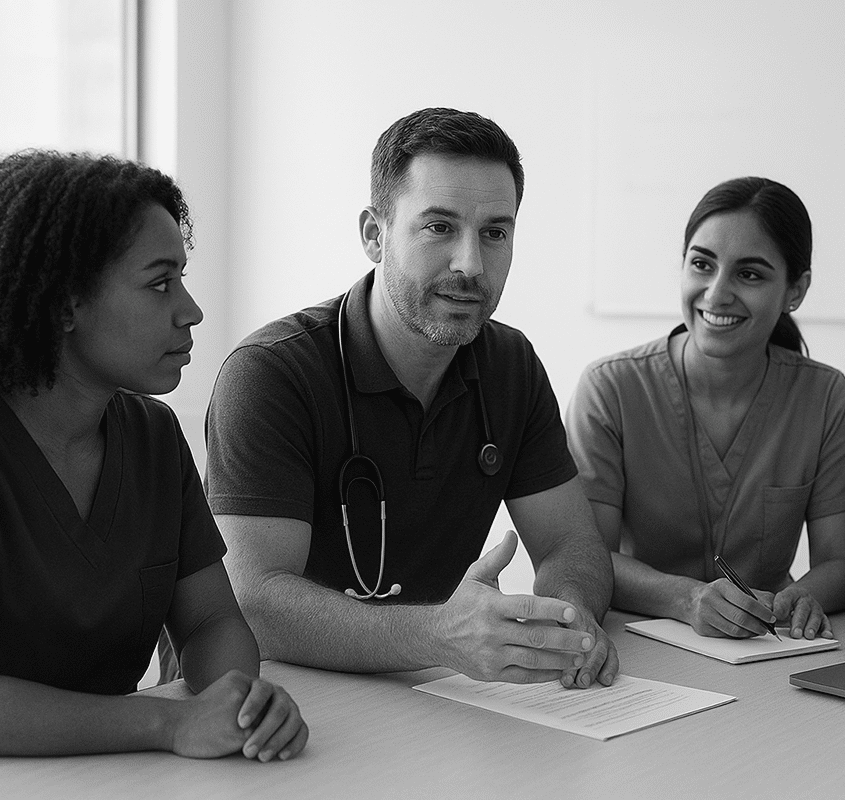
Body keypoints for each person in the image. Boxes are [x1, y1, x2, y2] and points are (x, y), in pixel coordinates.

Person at [206, 107, 618, 688]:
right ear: (375, 236)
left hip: (422, 692)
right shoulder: (272, 374)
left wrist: (568, 620)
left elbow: (570, 541)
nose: (470, 264)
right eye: (438, 227)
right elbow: (253, 602)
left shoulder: (511, 366)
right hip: (270, 702)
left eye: (495, 233)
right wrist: (439, 636)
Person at [0, 151, 308, 760]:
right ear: (62, 306)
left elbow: (212, 624)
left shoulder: (154, 437)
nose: (191, 310)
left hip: (120, 779)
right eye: (160, 282)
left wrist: (245, 703)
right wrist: (168, 725)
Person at [566, 177, 845, 642]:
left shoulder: (824, 396)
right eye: (701, 264)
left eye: (749, 274)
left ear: (796, 290)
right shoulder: (611, 388)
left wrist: (802, 598)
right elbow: (587, 556)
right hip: (637, 645)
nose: (716, 293)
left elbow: (840, 563)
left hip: (766, 648)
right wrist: (687, 598)